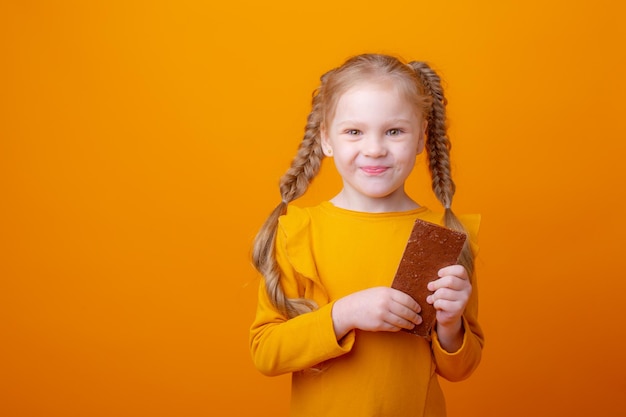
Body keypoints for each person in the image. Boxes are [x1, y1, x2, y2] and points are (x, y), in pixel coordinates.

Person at [249, 53, 483, 417]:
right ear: (327, 139)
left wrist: (451, 325)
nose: (374, 149)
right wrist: (344, 314)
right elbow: (266, 351)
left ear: (421, 137)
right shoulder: (298, 232)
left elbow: (460, 367)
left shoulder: (443, 235)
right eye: (354, 131)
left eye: (394, 131)